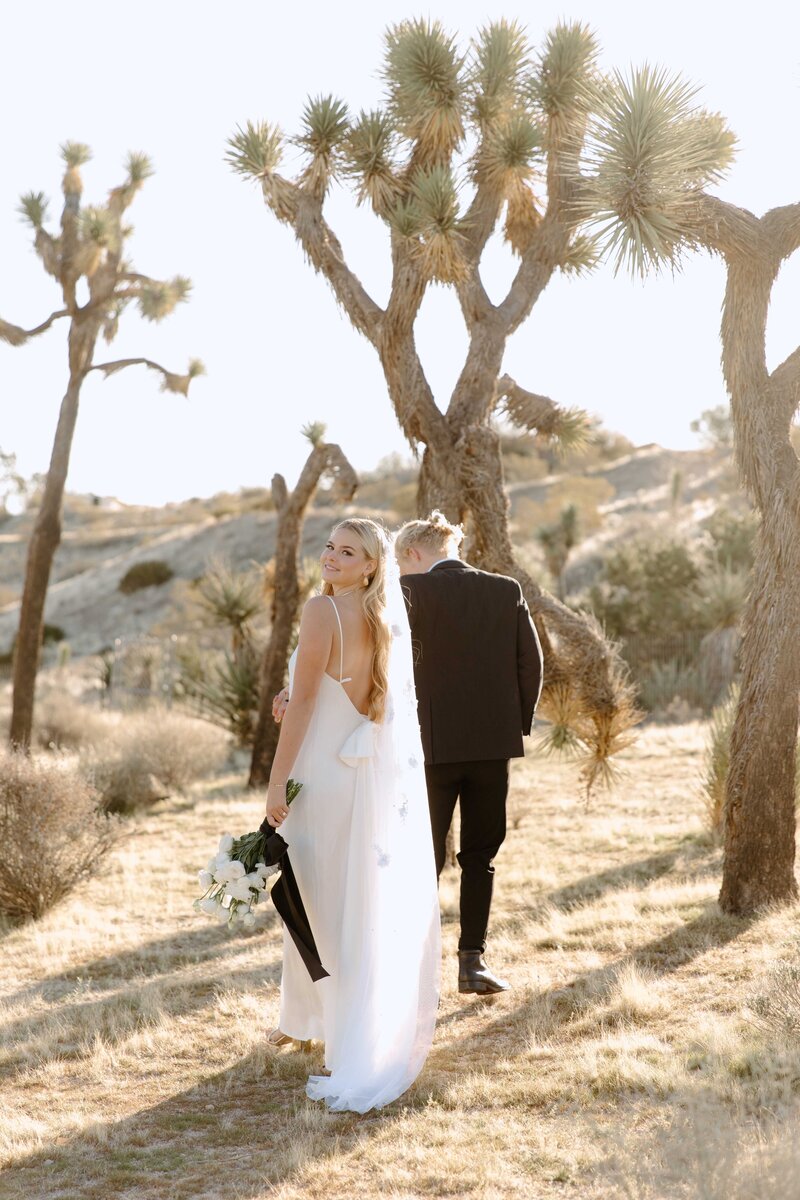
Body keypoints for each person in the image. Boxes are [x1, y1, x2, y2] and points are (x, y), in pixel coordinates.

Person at [265, 518, 441, 1113]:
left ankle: (325, 1025)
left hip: (316, 772)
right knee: (343, 897)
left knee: (314, 899)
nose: (331, 558)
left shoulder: (321, 611)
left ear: (371, 565)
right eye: (329, 547)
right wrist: (296, 691)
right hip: (354, 772)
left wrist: (274, 780)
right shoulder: (378, 617)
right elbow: (365, 696)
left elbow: (312, 700)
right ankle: (315, 1019)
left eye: (348, 552)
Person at [396, 512, 543, 996]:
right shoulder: (505, 590)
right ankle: (471, 963)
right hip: (490, 747)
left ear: (415, 554)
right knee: (481, 856)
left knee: (424, 856)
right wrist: (511, 727)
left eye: (402, 563)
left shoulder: (409, 593)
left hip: (427, 749)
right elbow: (531, 664)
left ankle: (416, 968)